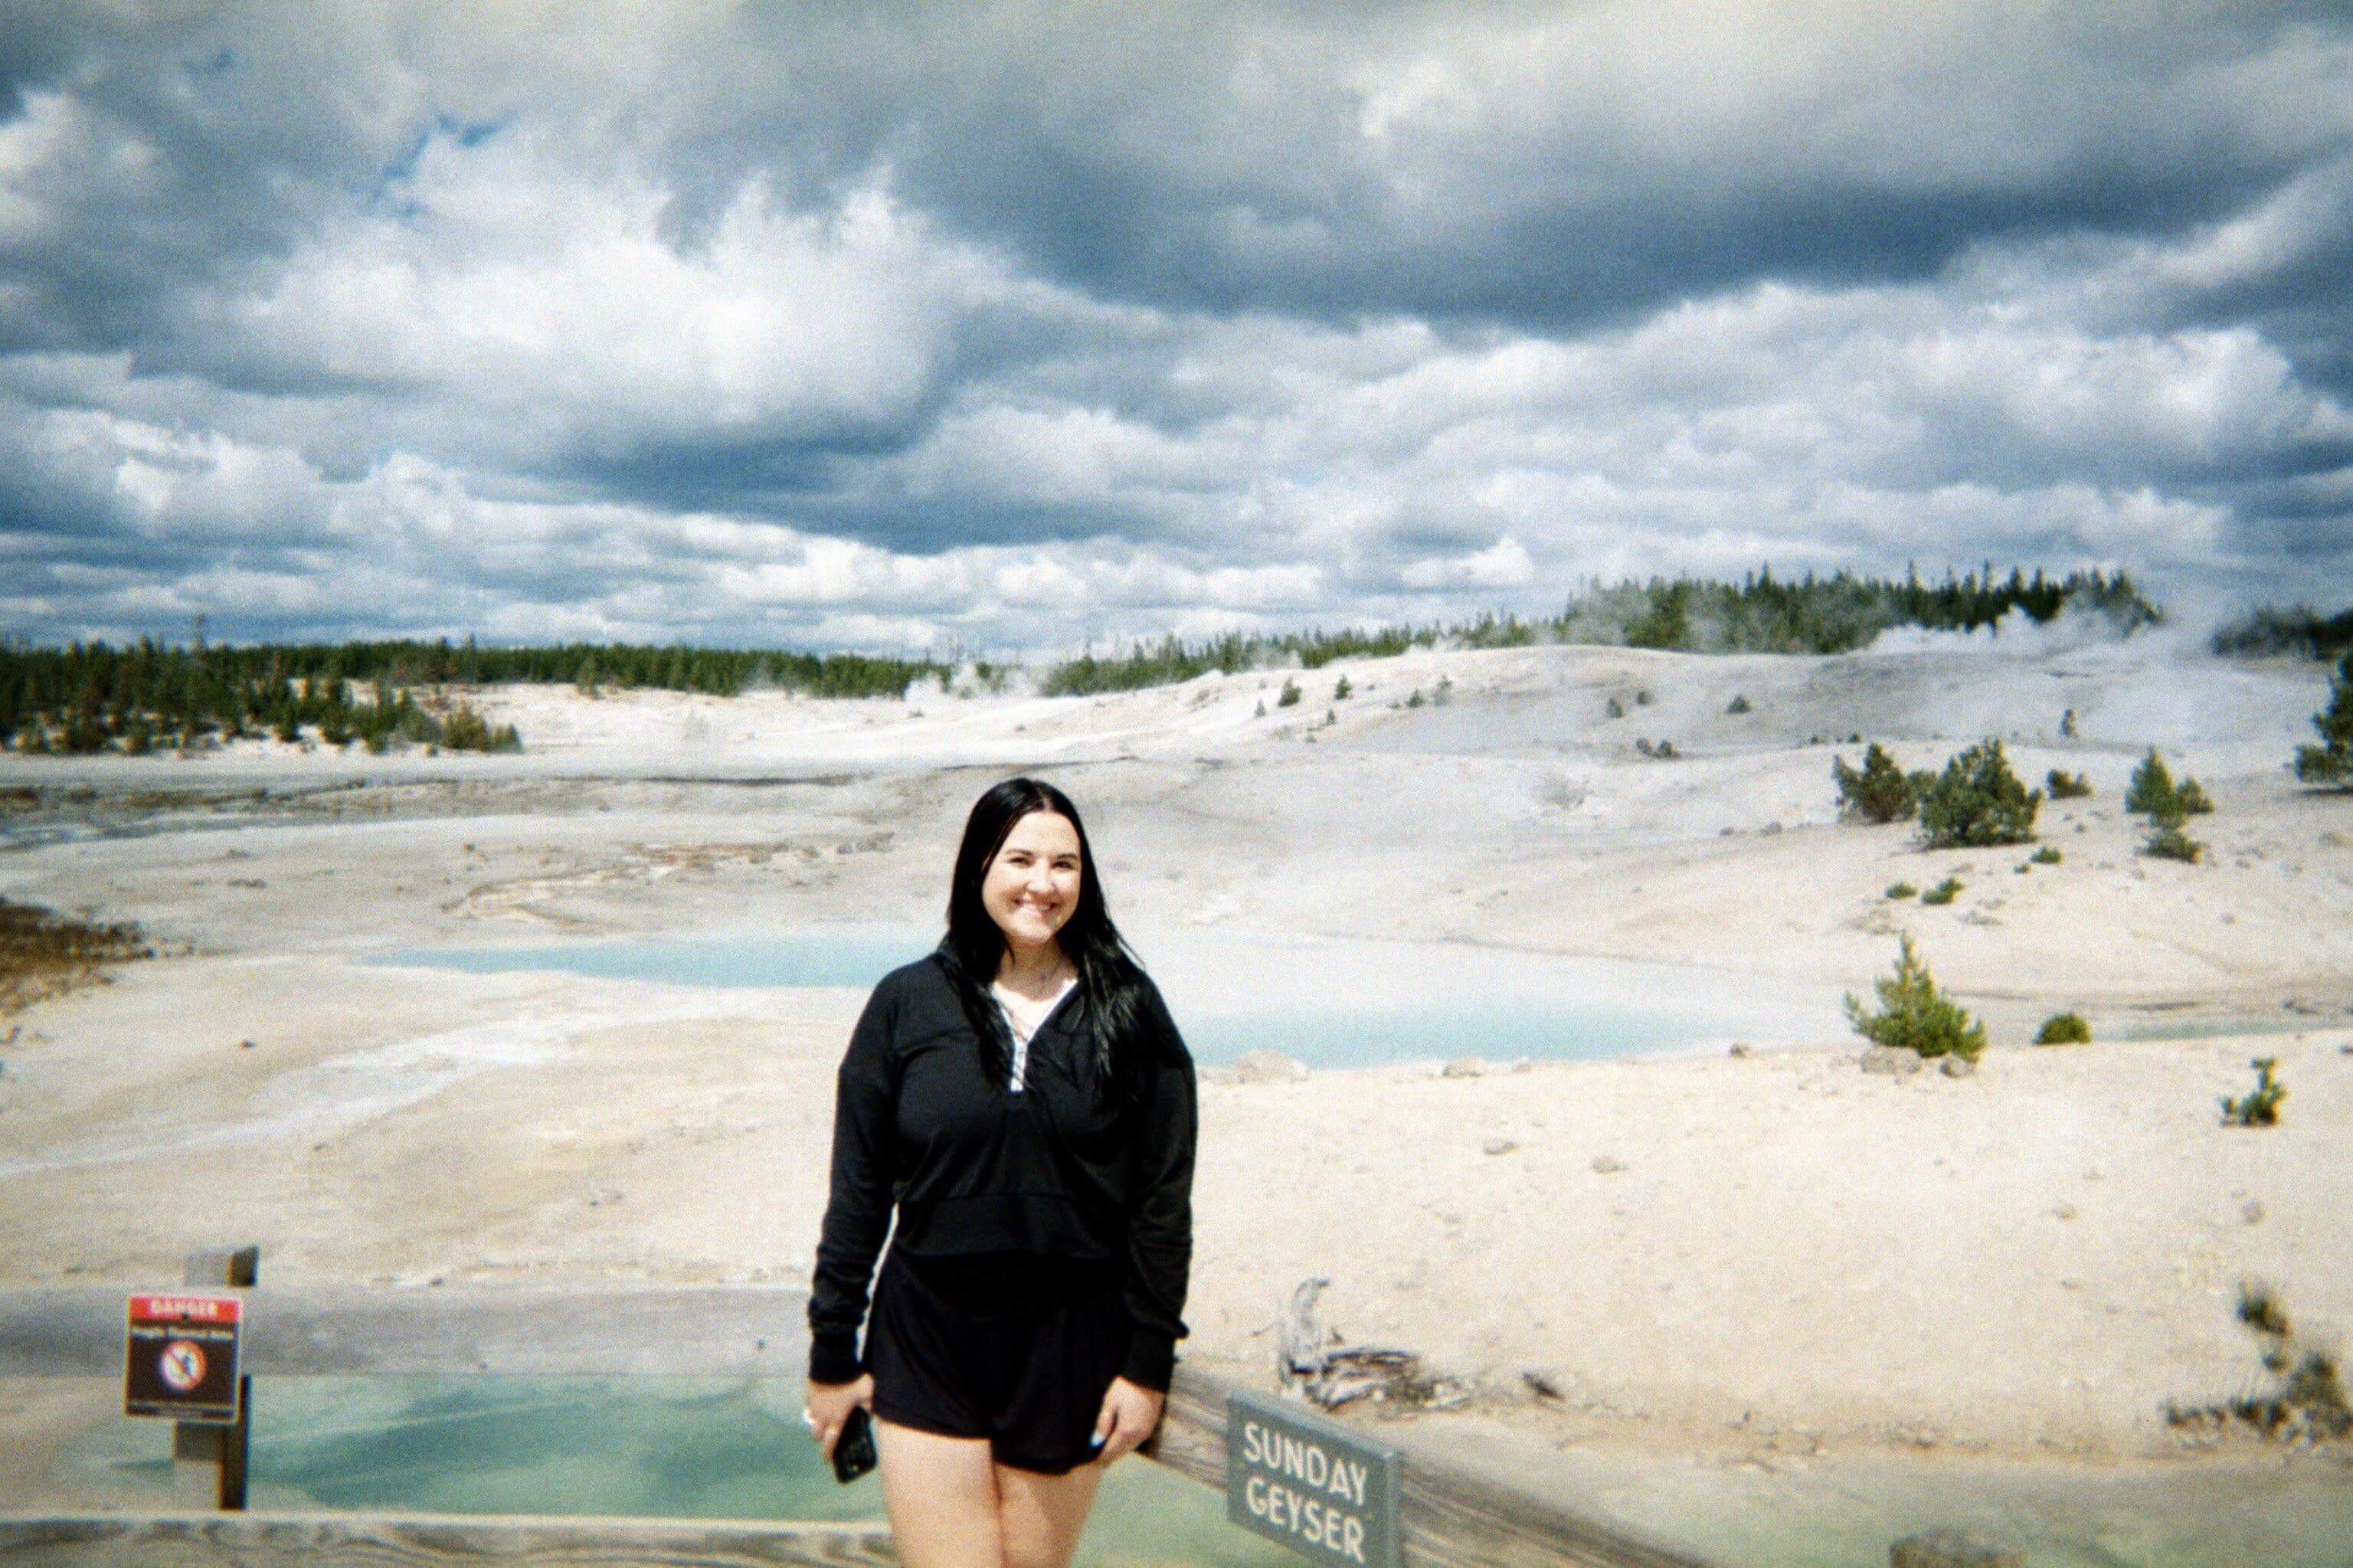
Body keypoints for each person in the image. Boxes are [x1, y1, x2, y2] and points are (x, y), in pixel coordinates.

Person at [804, 777, 1197, 1568]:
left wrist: (1147, 1363)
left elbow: (1162, 1201)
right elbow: (858, 1191)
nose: (1042, 884)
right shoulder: (907, 1003)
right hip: (927, 1334)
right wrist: (832, 1355)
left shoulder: (1129, 1009)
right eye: (1020, 858)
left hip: (1070, 1342)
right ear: (978, 864)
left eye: (1065, 864)